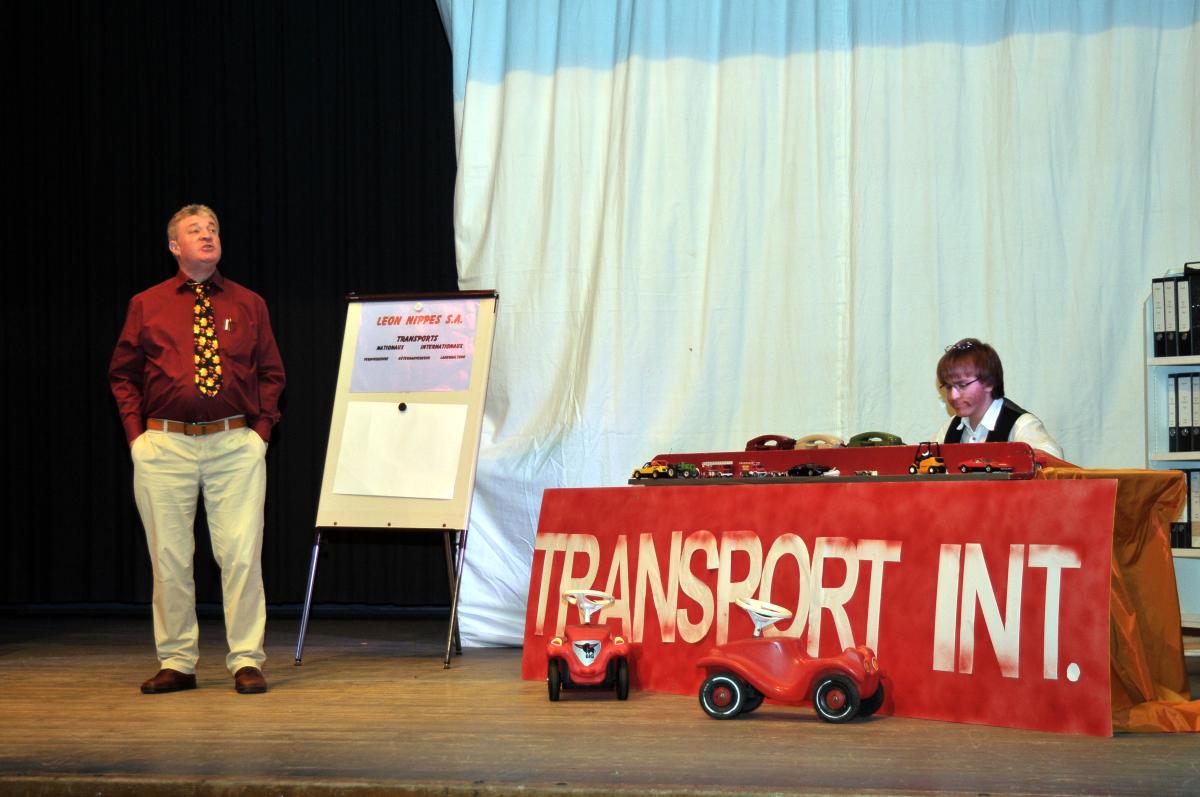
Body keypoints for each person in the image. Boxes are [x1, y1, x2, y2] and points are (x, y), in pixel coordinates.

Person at [109, 204, 285, 694]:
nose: (207, 235)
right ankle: (178, 662)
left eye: (212, 229)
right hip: (164, 445)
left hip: (234, 444)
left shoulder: (250, 303)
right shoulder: (146, 304)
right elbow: (123, 374)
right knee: (170, 558)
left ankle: (246, 659)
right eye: (195, 230)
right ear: (175, 246)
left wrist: (260, 433)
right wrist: (137, 437)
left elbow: (272, 373)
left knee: (242, 554)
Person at [935, 337, 1063, 459]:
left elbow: (1053, 464)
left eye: (962, 385)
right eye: (948, 387)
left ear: (989, 382)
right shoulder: (949, 428)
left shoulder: (1021, 425)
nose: (953, 396)